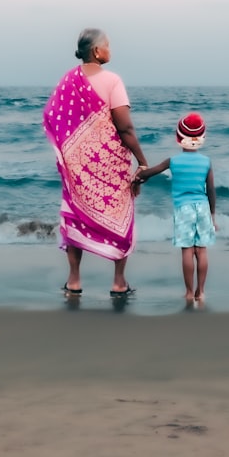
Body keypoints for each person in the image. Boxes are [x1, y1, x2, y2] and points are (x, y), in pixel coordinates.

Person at [43, 28, 149, 298]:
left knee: (76, 216)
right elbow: (125, 128)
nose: (111, 50)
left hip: (78, 166)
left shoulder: (67, 80)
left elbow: (52, 115)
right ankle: (118, 282)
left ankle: (74, 281)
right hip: (109, 165)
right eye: (108, 46)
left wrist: (72, 151)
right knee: (121, 216)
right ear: (97, 51)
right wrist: (143, 162)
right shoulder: (112, 80)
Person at [134, 112, 216, 302]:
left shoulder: (173, 161)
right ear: (202, 138)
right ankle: (201, 292)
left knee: (187, 251)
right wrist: (212, 214)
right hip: (202, 208)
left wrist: (138, 177)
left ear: (179, 138)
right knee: (201, 251)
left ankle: (188, 293)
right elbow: (211, 190)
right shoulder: (206, 162)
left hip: (183, 209)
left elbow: (151, 172)